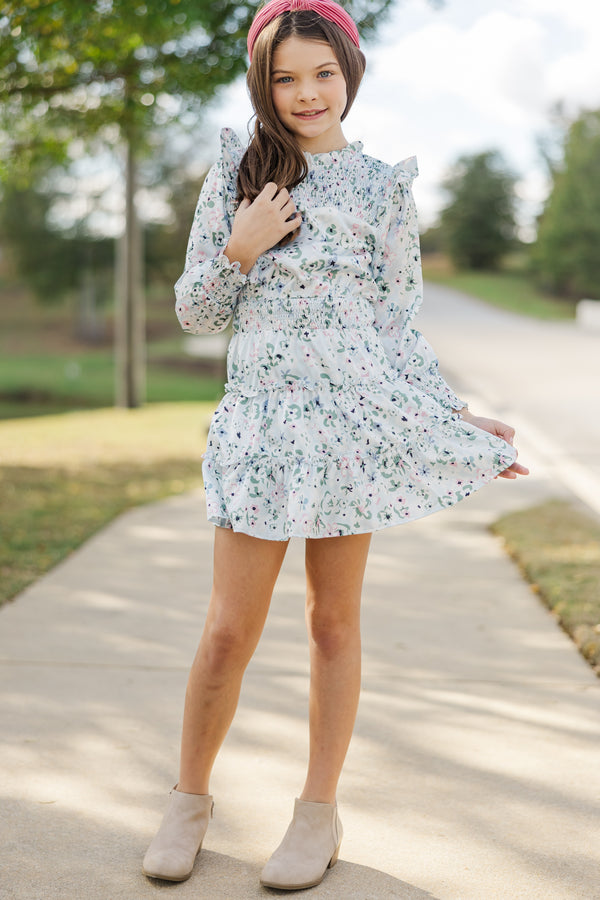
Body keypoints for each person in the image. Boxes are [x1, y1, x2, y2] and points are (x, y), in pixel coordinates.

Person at [142, 0, 529, 891]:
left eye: (322, 73)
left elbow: (398, 327)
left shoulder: (383, 188)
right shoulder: (237, 175)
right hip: (261, 426)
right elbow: (197, 314)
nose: (305, 93)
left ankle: (317, 812)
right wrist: (240, 247)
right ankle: (188, 799)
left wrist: (449, 418)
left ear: (349, 73)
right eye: (285, 77)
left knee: (331, 625)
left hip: (348, 430)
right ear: (262, 84)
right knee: (227, 632)